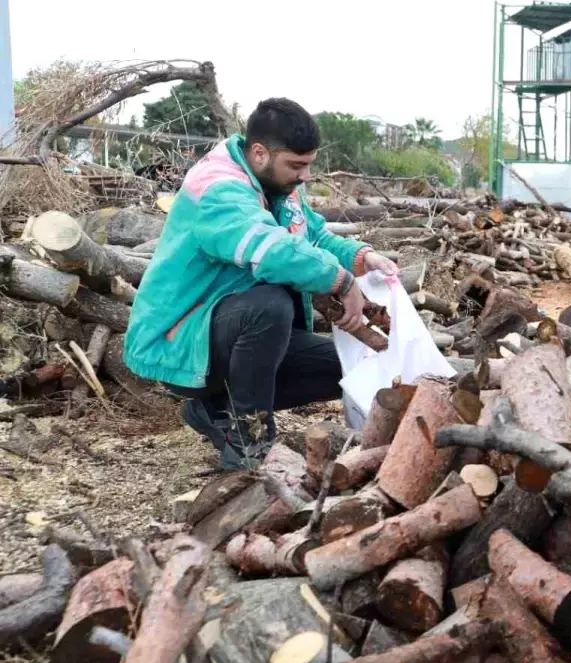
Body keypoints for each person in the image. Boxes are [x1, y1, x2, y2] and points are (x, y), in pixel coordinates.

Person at [123, 97, 398, 470]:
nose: (304, 176)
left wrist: (361, 258)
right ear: (259, 153)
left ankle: (214, 410)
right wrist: (341, 280)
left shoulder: (278, 185)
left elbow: (312, 237)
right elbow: (270, 251)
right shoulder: (217, 189)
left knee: (352, 371)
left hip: (238, 335)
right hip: (183, 339)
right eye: (296, 165)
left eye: (308, 166)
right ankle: (248, 446)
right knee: (269, 304)